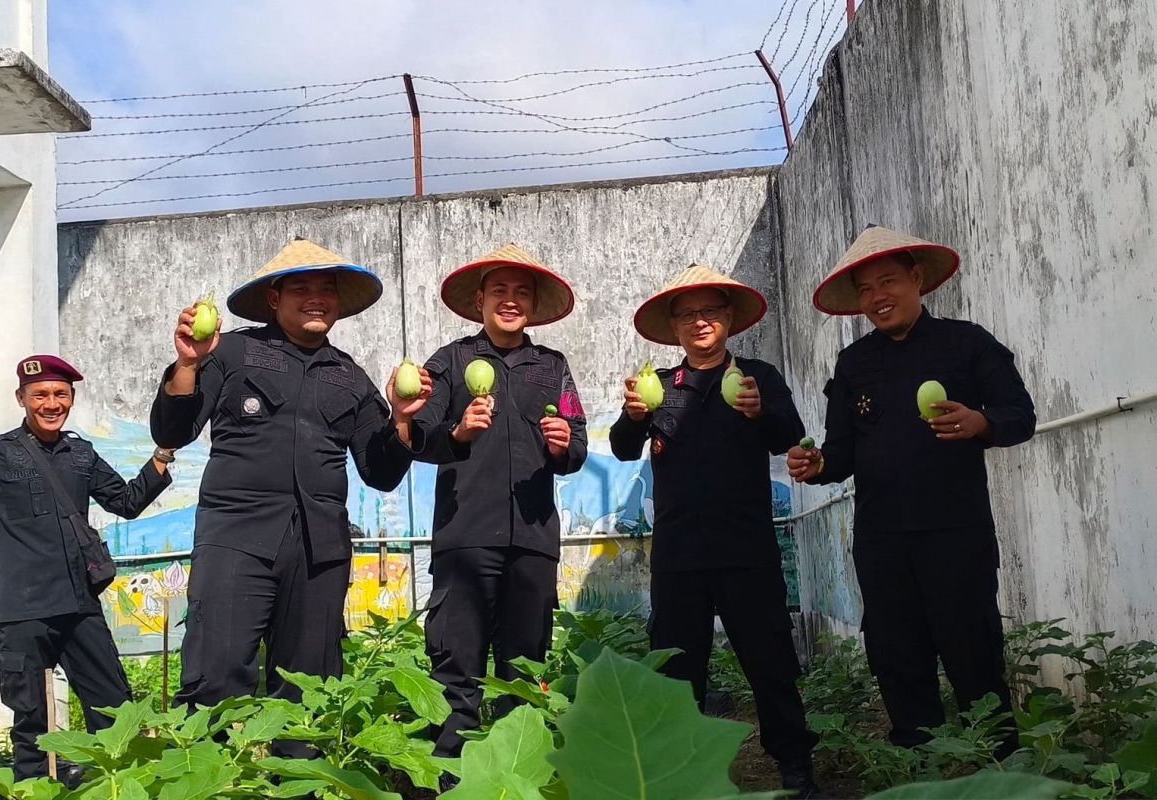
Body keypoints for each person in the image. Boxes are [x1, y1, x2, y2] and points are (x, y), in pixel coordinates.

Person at [149, 238, 428, 739]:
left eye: (326, 288)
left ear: (339, 302)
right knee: (215, 679)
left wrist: (403, 423)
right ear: (274, 298)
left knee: (309, 690)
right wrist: (188, 365)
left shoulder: (350, 377)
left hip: (319, 552)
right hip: (237, 539)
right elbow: (172, 433)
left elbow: (380, 472)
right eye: (300, 287)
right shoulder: (231, 352)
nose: (315, 297)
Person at [787, 225, 1036, 753]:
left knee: (973, 649)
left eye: (888, 281)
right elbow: (842, 453)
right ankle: (917, 762)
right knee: (897, 654)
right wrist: (817, 464)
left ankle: (999, 763)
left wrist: (980, 422)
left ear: (917, 279)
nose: (878, 297)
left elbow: (1021, 415)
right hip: (882, 541)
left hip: (956, 533)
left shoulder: (967, 343)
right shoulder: (855, 364)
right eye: (866, 289)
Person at [609, 264, 820, 797]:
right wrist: (633, 414)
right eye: (688, 314)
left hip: (746, 549)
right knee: (677, 675)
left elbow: (790, 436)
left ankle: (796, 770)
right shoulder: (660, 386)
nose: (700, 321)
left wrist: (760, 410)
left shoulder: (757, 379)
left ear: (728, 319)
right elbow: (620, 447)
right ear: (675, 325)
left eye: (710, 311)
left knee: (770, 665)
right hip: (679, 556)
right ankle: (681, 778)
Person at [403, 244, 586, 778]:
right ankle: (449, 780)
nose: (510, 301)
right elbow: (420, 435)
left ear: (533, 304)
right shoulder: (450, 361)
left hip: (532, 541)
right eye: (499, 292)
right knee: (455, 673)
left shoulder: (555, 368)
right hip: (464, 538)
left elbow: (576, 442)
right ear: (479, 300)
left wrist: (561, 446)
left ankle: (516, 778)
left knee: (522, 673)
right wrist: (457, 432)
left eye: (521, 292)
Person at [0, 355, 172, 780]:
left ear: (71, 399)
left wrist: (162, 455)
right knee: (31, 723)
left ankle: (118, 786)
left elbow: (126, 502)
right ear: (22, 398)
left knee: (114, 707)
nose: (50, 403)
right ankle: (33, 789)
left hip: (79, 606)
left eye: (60, 394)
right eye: (39, 395)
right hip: (20, 611)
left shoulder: (81, 455)